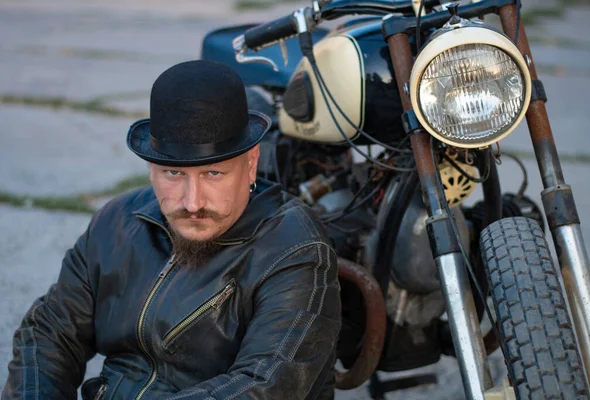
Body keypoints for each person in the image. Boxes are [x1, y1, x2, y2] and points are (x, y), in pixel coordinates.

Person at [3, 60, 341, 399]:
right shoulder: (119, 221)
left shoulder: (294, 250)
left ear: (251, 163)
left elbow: (261, 386)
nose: (192, 203)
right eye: (174, 173)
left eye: (213, 174)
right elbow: (48, 332)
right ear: (152, 167)